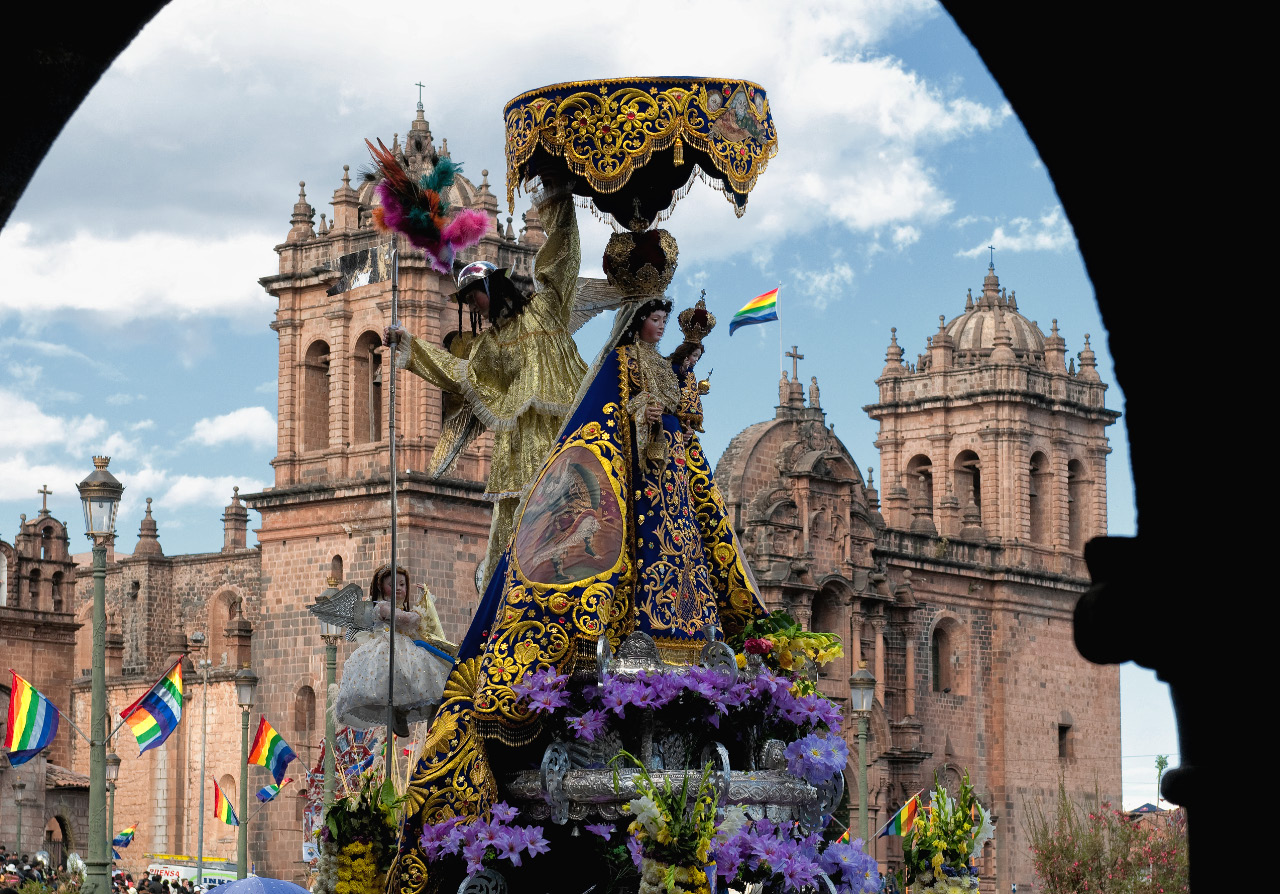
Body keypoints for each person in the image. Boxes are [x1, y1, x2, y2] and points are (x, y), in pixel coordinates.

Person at [394, 293, 767, 865]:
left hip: (672, 506)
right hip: (638, 492)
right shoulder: (619, 365)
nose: (660, 323)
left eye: (665, 317)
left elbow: (686, 414)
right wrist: (642, 422)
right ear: (634, 319)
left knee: (684, 573)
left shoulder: (662, 365)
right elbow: (609, 424)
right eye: (653, 315)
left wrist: (689, 356)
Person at [385, 174, 588, 586]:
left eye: (474, 294)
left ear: (494, 286)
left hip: (570, 430)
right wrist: (410, 345)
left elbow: (560, 261)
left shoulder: (545, 310)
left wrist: (559, 201)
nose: (473, 307)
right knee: (513, 527)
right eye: (467, 301)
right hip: (520, 445)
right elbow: (461, 375)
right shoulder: (489, 347)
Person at [333, 564, 455, 737]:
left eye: (403, 585)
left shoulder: (398, 607)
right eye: (393, 584)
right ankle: (398, 713)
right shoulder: (382, 607)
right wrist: (420, 613)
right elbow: (406, 619)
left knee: (428, 678)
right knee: (402, 676)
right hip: (388, 648)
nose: (399, 588)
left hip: (406, 647)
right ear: (381, 586)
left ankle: (418, 714)